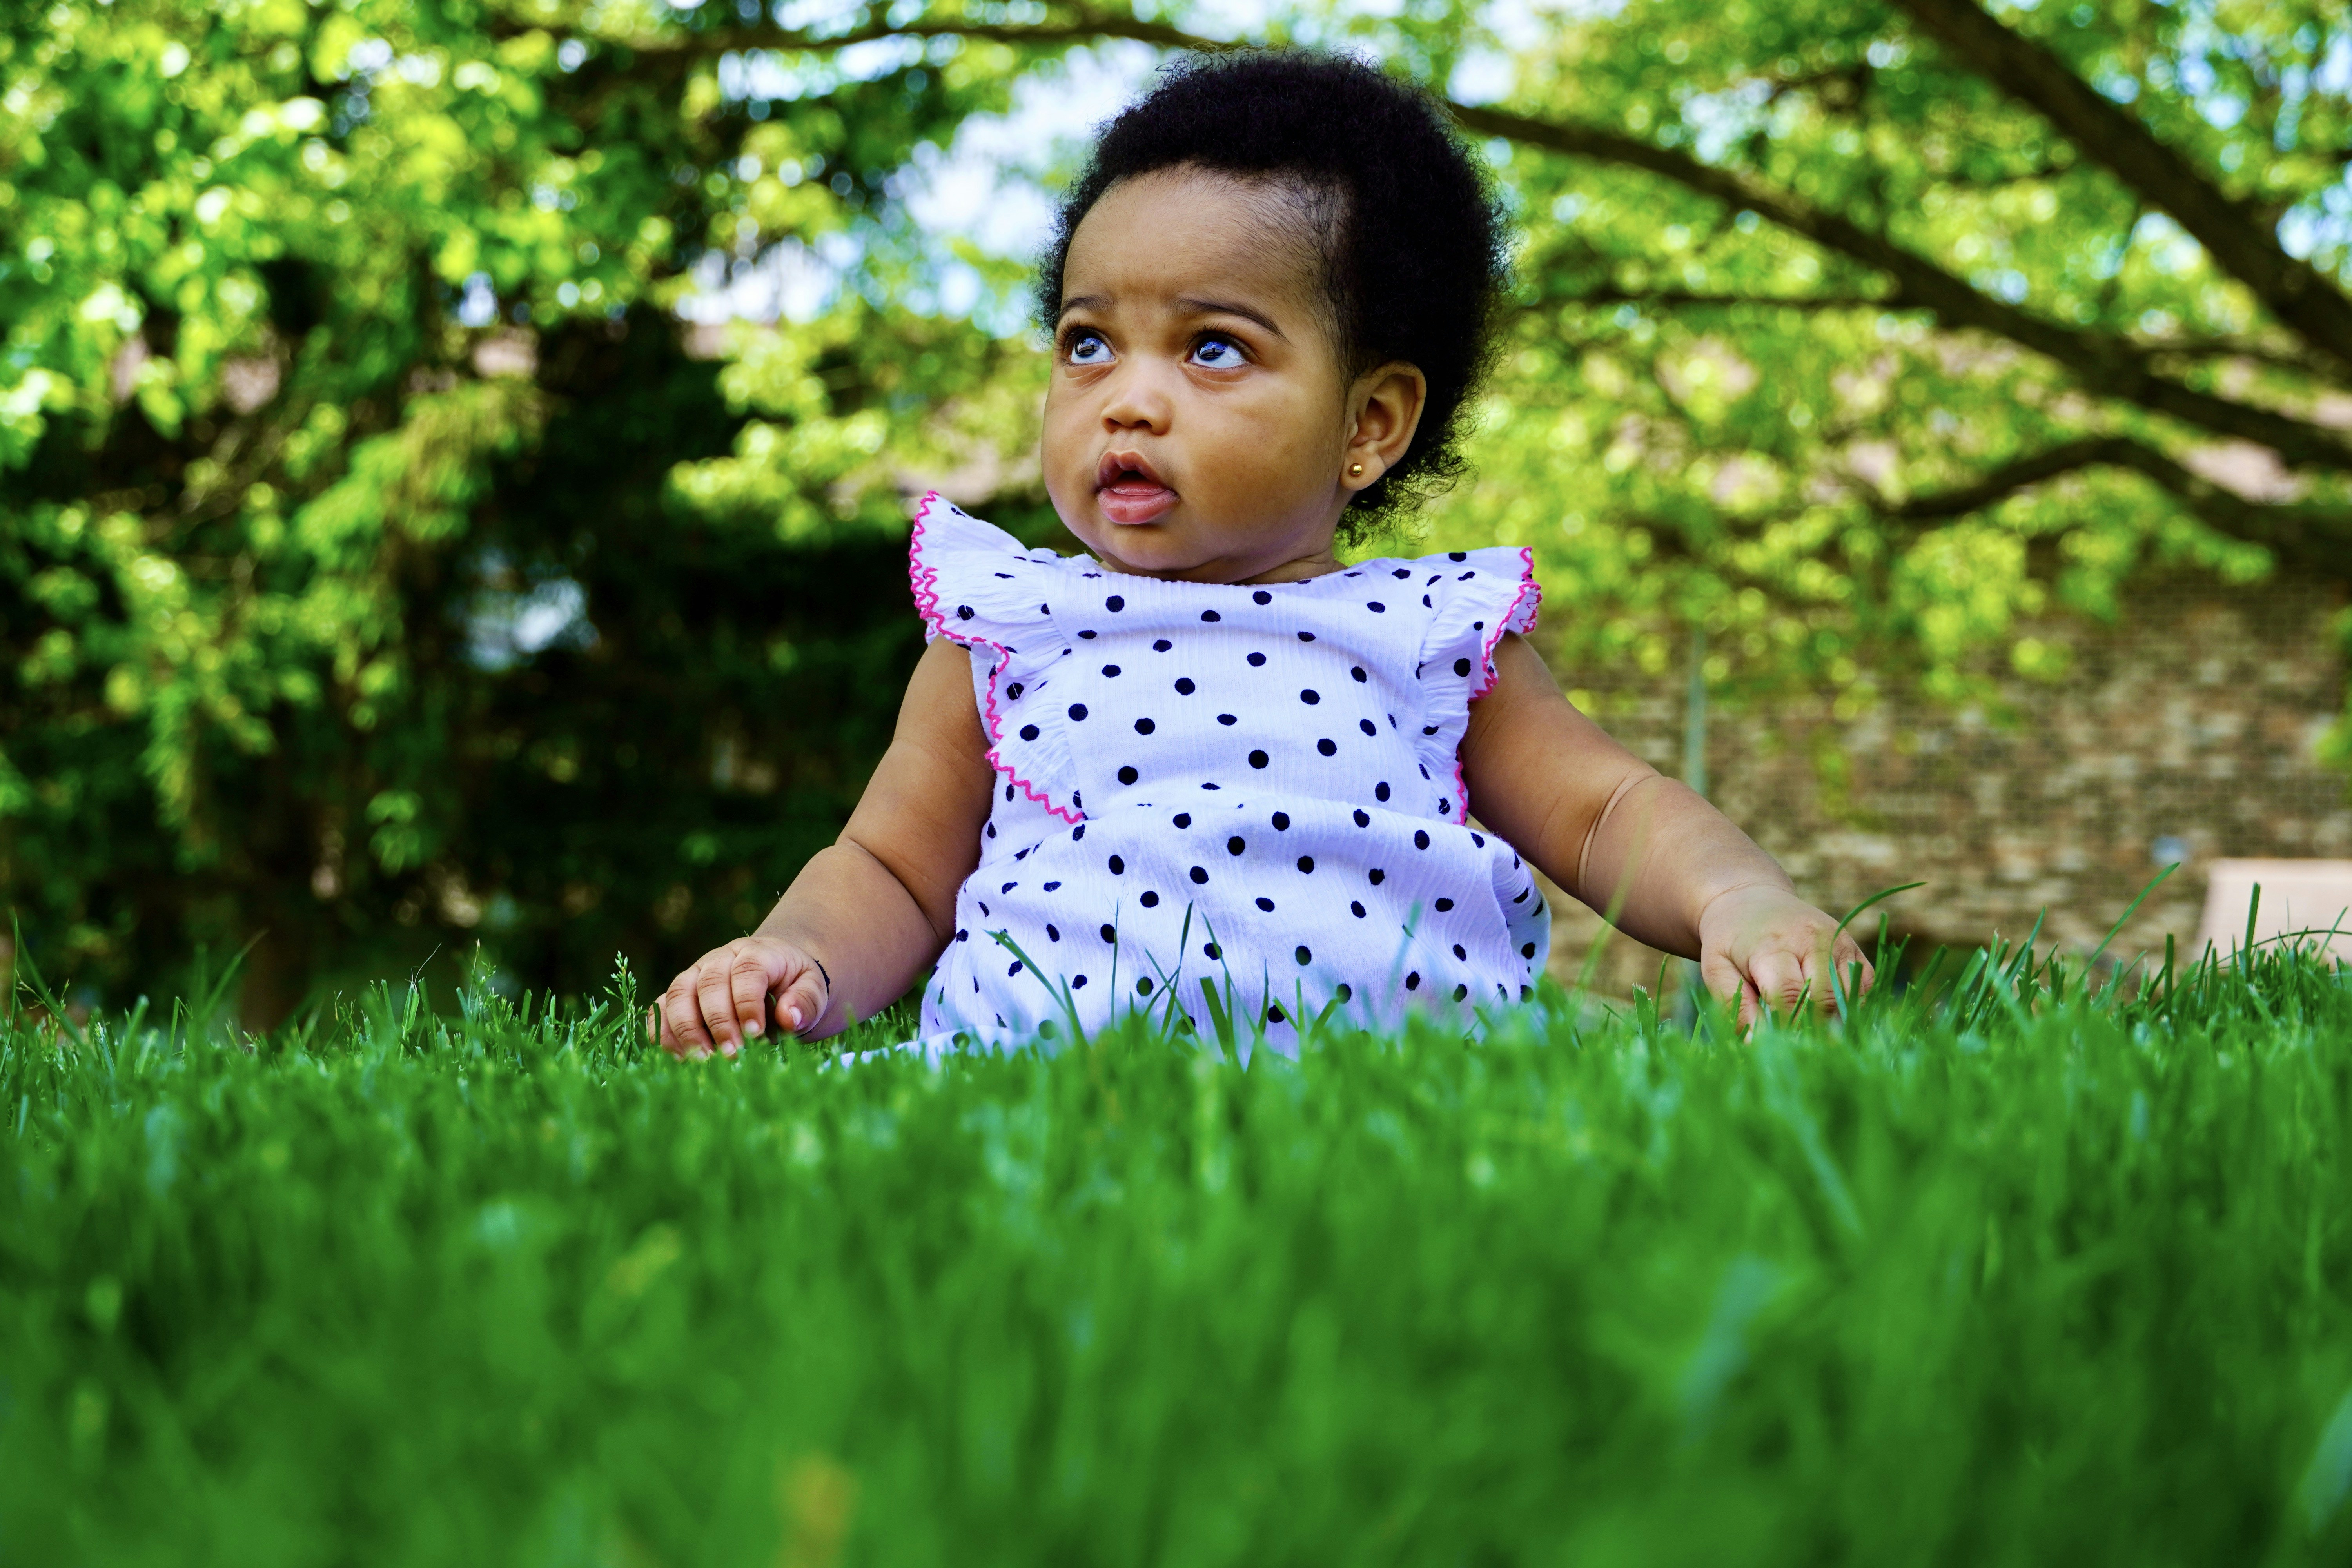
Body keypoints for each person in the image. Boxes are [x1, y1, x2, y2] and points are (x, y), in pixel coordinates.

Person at [651, 52, 1872, 1059]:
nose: (1126, 400)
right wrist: (791, 961)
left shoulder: (1424, 636)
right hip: (1030, 1095)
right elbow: (893, 872)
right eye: (1088, 345)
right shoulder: (1007, 632)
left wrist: (1737, 898)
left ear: (1368, 426)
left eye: (1214, 350)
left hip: (1415, 1105)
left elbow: (1606, 815)